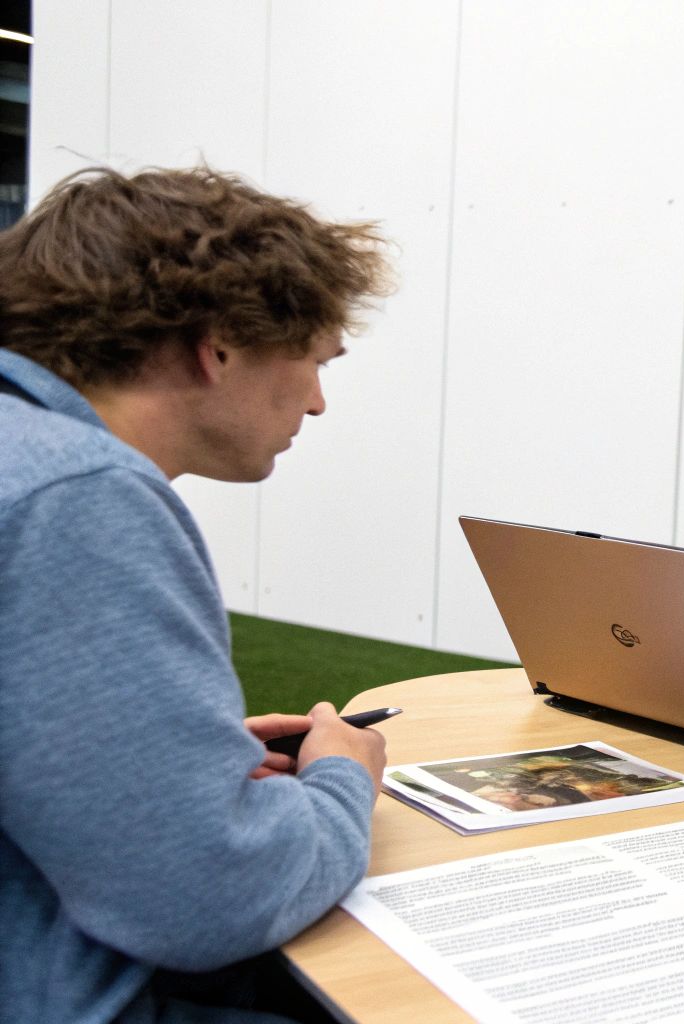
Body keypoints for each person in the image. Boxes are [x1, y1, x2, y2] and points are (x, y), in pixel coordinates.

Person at [0, 166, 392, 1022]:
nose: (318, 404)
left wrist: (165, 758)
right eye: (314, 362)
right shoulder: (77, 494)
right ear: (219, 348)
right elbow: (212, 896)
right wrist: (341, 780)